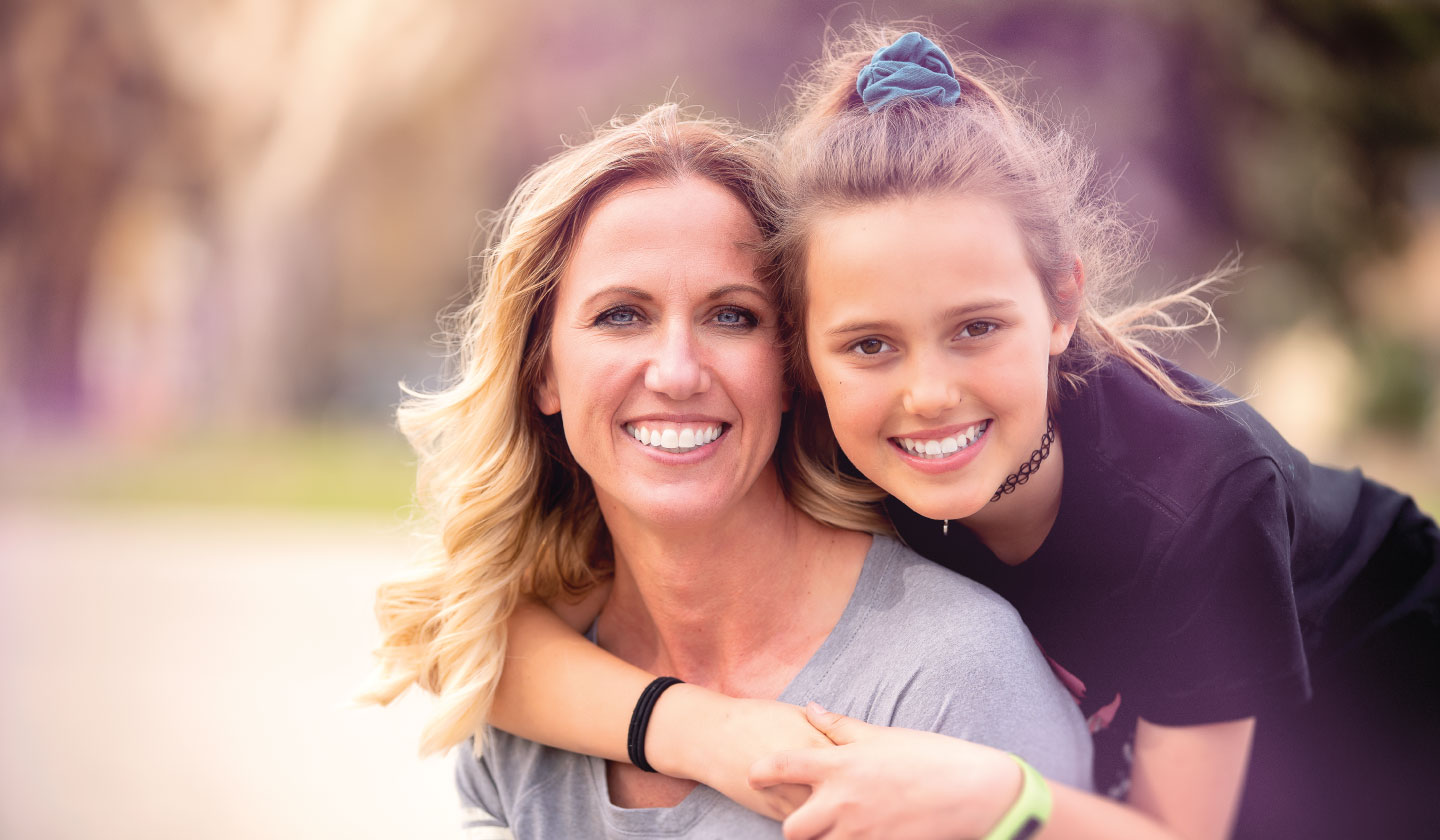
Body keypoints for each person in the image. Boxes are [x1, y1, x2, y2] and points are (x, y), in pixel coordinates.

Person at [475, 26, 1440, 840]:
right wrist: (707, 731)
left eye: (976, 328)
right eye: (869, 343)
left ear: (1062, 304)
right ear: (801, 351)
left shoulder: (1194, 507)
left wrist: (998, 793)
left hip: (1387, 708)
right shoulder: (808, 428)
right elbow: (485, 655)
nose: (928, 394)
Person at [361, 103, 1092, 839]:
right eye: (621, 315)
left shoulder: (949, 674)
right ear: (542, 372)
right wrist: (693, 728)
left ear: (791, 365)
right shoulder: (520, 689)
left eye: (732, 317)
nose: (678, 373)